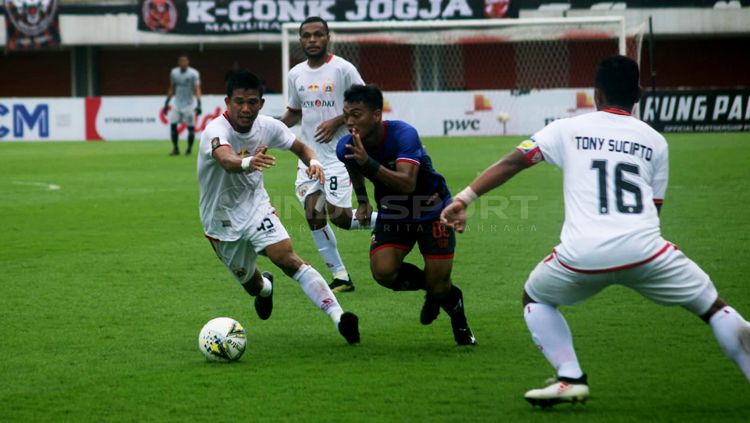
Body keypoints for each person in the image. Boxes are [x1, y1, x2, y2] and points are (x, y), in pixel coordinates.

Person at [440, 55, 750, 406]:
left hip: (581, 256)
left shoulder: (566, 129)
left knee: (535, 298)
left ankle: (570, 376)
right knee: (715, 309)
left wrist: (465, 198)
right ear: (639, 93)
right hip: (647, 251)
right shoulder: (655, 141)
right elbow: (654, 210)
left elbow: (514, 161)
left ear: (595, 94)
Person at [197, 70, 360, 345]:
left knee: (289, 259)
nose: (246, 109)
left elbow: (301, 147)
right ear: (227, 102)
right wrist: (248, 162)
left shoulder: (268, 126)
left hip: (256, 207)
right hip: (220, 219)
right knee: (252, 284)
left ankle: (339, 317)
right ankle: (265, 288)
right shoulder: (216, 130)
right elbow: (225, 159)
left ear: (261, 103)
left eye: (252, 102)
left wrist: (315, 162)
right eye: (239, 102)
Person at [336, 84, 476, 346]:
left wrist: (368, 162)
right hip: (394, 213)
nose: (350, 122)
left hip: (433, 210)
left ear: (376, 115)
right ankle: (442, 293)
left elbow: (407, 183)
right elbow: (353, 166)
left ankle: (454, 310)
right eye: (346, 115)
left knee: (438, 284)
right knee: (384, 273)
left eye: (357, 115)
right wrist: (363, 201)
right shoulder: (346, 146)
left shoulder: (404, 134)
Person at [281, 16, 377, 293]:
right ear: (300, 40)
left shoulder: (343, 69)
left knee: (341, 218)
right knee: (313, 213)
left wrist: (337, 121)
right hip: (309, 156)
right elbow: (295, 112)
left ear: (327, 37)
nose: (312, 40)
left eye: (318, 35)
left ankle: (394, 220)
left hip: (338, 155)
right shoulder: (296, 74)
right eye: (307, 36)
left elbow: (366, 101)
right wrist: (267, 130)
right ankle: (341, 277)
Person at [164, 53, 202, 156]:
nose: (182, 63)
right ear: (178, 62)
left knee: (190, 128)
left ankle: (189, 149)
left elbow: (197, 89)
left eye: (184, 61)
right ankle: (176, 148)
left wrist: (199, 104)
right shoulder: (174, 73)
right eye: (181, 61)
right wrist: (166, 103)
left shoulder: (193, 74)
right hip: (177, 104)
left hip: (189, 105)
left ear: (188, 62)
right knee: (173, 126)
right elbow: (172, 88)